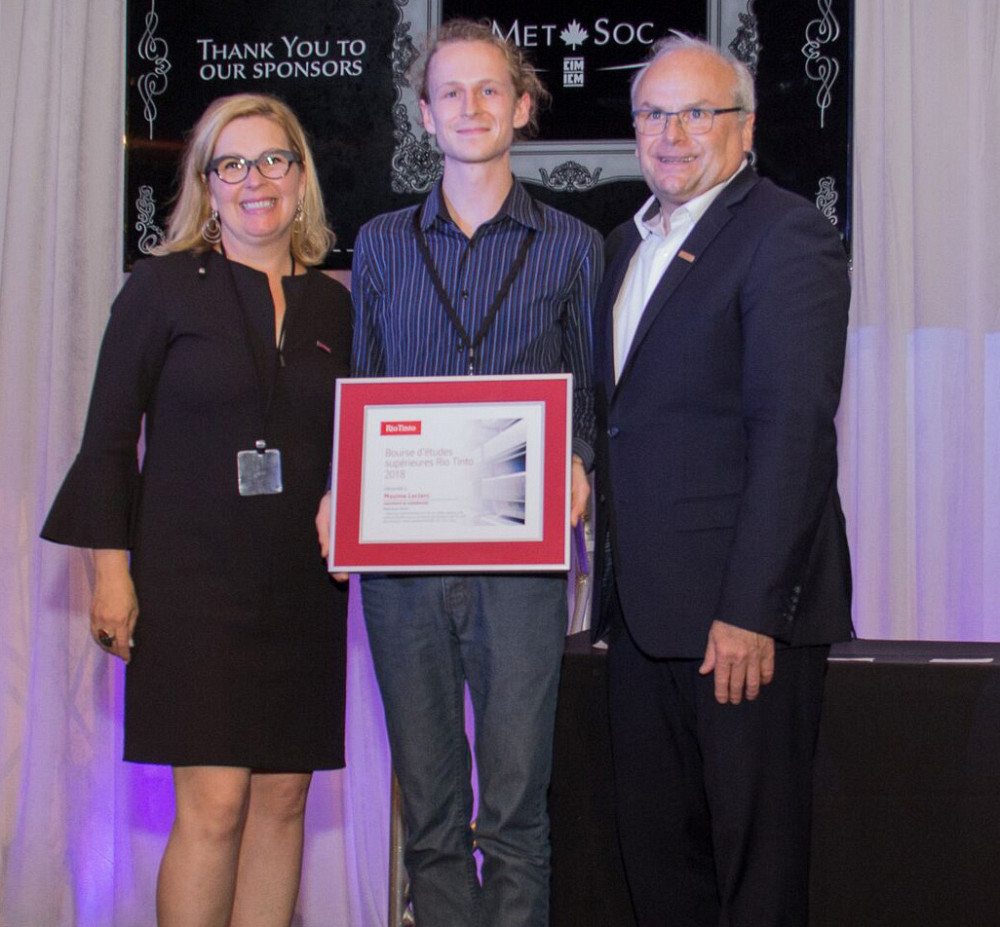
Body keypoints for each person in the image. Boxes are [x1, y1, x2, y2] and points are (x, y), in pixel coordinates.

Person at [41, 93, 351, 927]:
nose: (256, 181)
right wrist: (112, 575)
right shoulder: (161, 289)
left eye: (273, 161)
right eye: (232, 165)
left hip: (304, 589)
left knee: (284, 802)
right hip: (191, 589)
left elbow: (357, 446)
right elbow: (107, 441)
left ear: (300, 176)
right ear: (207, 185)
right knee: (213, 805)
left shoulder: (335, 305)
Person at [591, 35, 853, 927]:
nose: (672, 133)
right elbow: (624, 422)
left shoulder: (786, 234)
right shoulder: (624, 245)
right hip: (643, 617)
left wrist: (749, 611)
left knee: (758, 878)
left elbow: (793, 436)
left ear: (744, 128)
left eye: (698, 112)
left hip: (741, 628)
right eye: (653, 114)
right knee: (662, 869)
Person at [348, 19, 601, 927]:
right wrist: (346, 486)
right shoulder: (377, 244)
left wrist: (577, 461)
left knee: (517, 814)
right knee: (432, 817)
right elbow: (363, 389)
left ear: (523, 106)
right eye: (450, 92)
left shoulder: (574, 245)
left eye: (490, 89)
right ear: (423, 115)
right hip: (402, 567)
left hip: (520, 566)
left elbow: (590, 400)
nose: (471, 106)